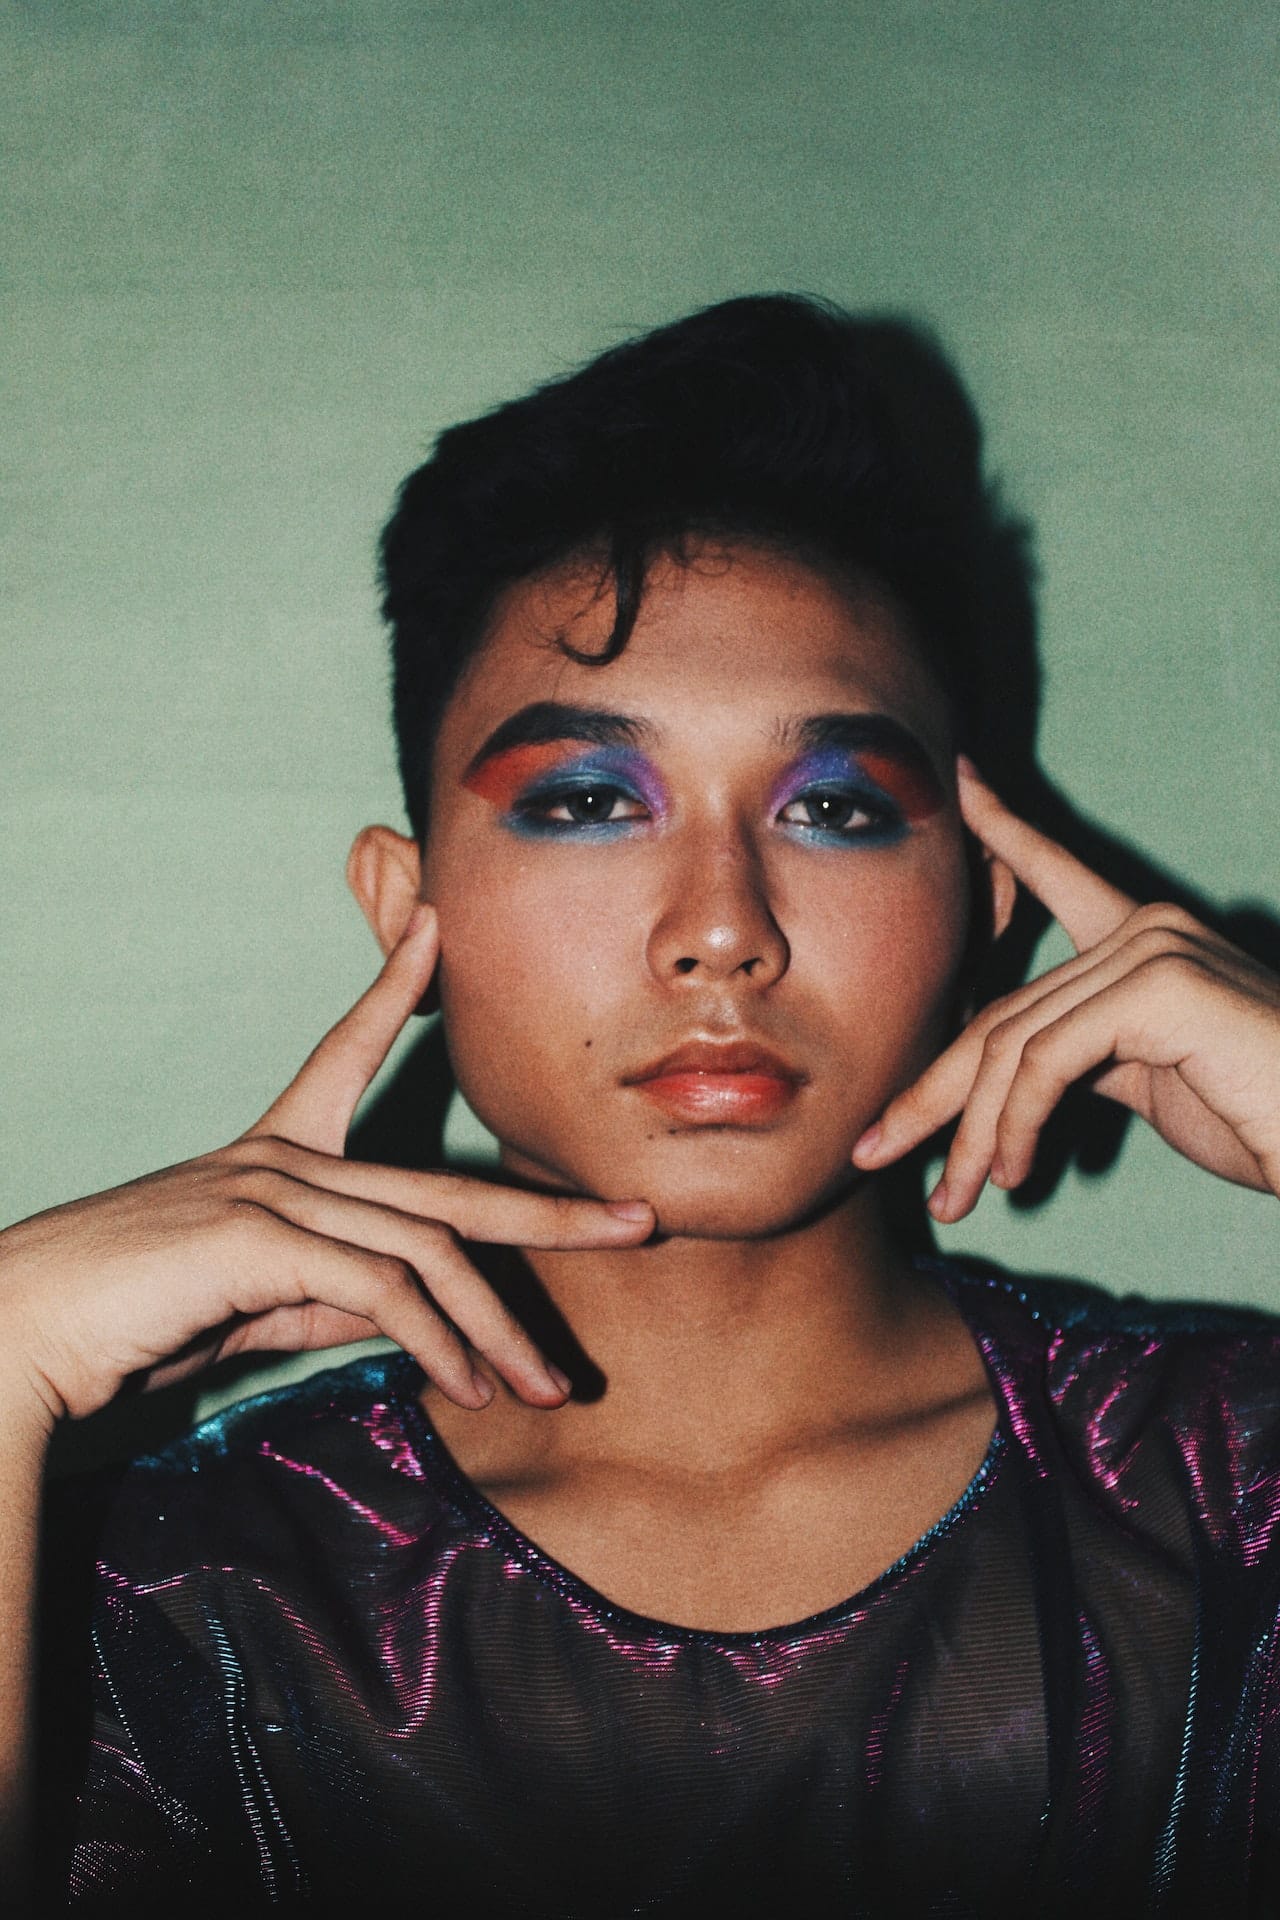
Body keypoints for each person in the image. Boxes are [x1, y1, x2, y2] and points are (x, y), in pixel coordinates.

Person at [1, 295, 1277, 1918]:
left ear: (989, 914)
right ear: (410, 911)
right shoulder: (178, 1589)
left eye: (834, 805)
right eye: (589, 800)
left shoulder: (1232, 1494)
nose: (723, 924)